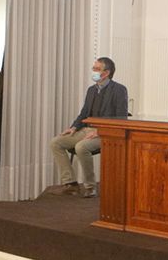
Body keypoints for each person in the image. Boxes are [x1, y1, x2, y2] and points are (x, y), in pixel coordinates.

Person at [48, 57, 128, 197]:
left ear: (106, 73)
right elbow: (84, 113)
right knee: (56, 142)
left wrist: (99, 131)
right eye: (94, 68)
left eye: (97, 69)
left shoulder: (119, 90)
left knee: (81, 147)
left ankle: (90, 187)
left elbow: (121, 117)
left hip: (106, 132)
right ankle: (71, 184)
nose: (93, 71)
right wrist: (73, 127)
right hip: (86, 129)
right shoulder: (91, 90)